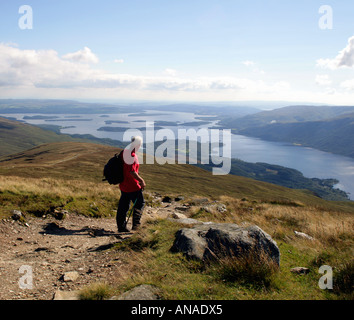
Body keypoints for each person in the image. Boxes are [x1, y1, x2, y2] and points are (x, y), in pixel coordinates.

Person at [116, 136, 146, 233]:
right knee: (140, 204)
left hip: (123, 185)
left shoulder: (124, 152)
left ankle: (121, 227)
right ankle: (136, 226)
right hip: (132, 186)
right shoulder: (132, 155)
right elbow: (131, 172)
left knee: (123, 206)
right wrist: (141, 181)